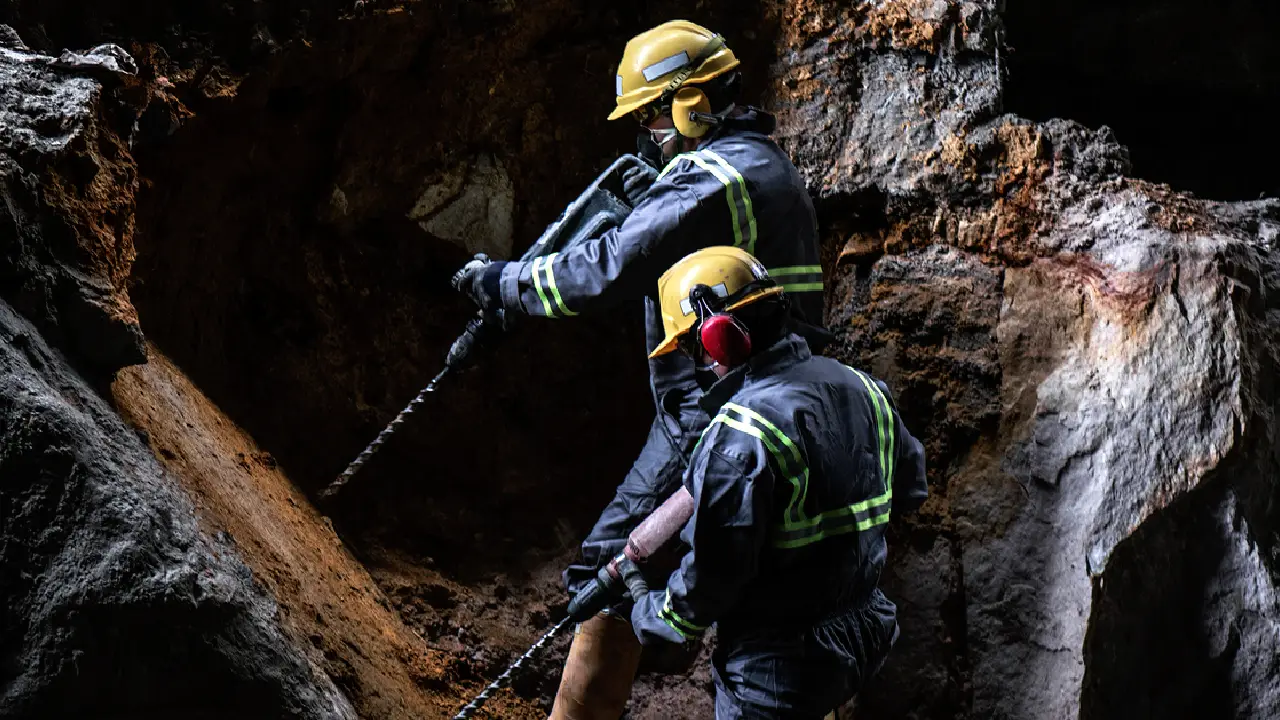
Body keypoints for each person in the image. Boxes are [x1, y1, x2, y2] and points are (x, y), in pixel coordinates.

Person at [450, 20, 830, 716]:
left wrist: (509, 284)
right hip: (760, 398)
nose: (649, 131)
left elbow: (610, 265)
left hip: (717, 411)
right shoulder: (761, 164)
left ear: (690, 103)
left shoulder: (716, 175)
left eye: (653, 114)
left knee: (606, 573)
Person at [627, 245, 929, 719]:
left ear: (718, 336)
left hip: (778, 669)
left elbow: (708, 584)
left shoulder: (739, 435)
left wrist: (652, 610)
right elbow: (909, 490)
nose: (698, 364)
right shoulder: (864, 387)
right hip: (862, 632)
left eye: (692, 347)